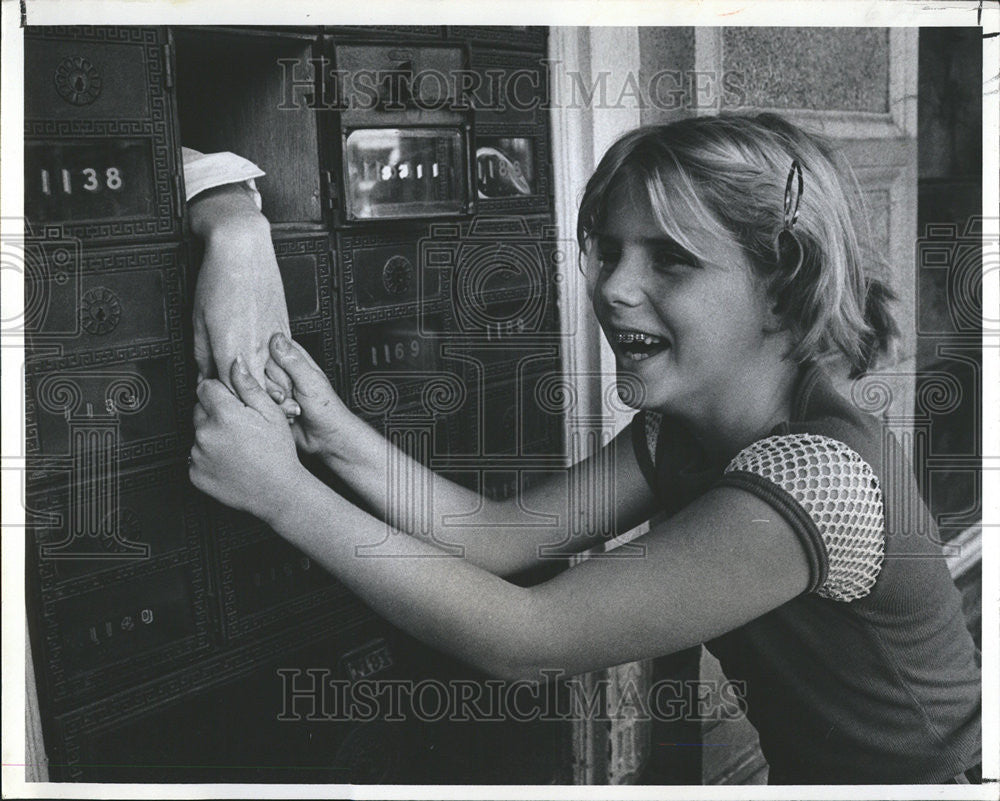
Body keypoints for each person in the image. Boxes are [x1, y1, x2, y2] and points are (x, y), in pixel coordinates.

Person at [184, 114, 981, 784]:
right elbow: (494, 538)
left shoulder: (815, 476)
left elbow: (528, 639)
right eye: (608, 247)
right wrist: (332, 434)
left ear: (783, 286)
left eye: (669, 257)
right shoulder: (685, 430)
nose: (613, 287)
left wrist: (283, 494)